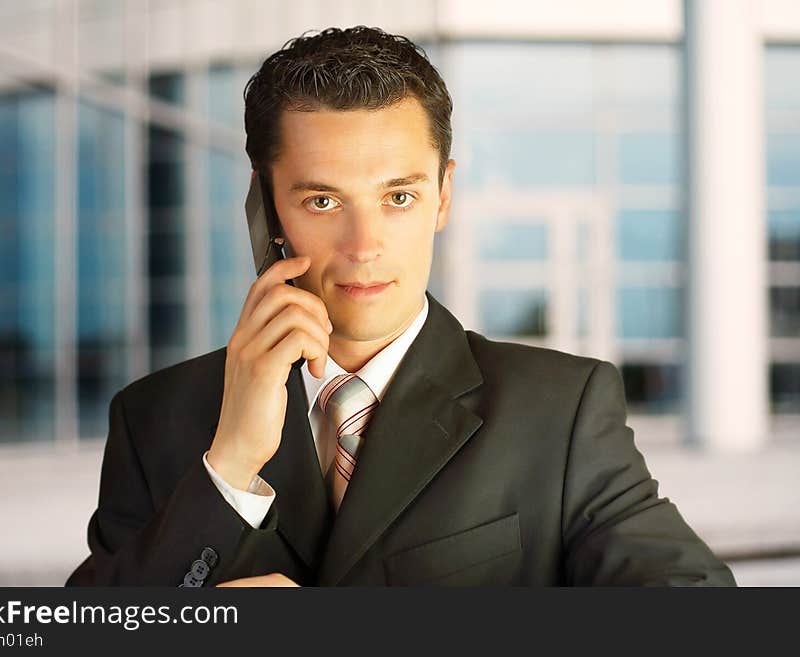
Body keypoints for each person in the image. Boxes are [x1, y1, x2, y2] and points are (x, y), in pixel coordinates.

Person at [66, 26, 735, 587]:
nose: (364, 247)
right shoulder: (156, 419)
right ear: (266, 207)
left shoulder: (560, 410)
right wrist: (229, 465)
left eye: (398, 197)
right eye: (322, 201)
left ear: (443, 195)